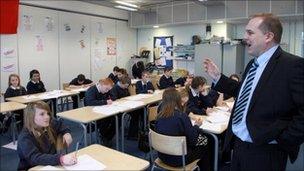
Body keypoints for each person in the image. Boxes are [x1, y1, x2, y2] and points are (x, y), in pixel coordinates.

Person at [203, 13, 304, 171]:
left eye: (250, 33)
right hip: (238, 145)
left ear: (268, 36)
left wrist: (282, 139)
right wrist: (218, 77)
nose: (244, 37)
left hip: (265, 151)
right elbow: (245, 93)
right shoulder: (253, 64)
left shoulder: (292, 66)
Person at [155, 88, 211, 171]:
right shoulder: (181, 116)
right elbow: (193, 140)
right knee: (207, 141)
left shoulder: (158, 116)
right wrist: (196, 126)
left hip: (162, 156)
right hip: (180, 159)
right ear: (177, 100)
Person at [17, 101, 76, 170]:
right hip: (32, 168)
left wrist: (66, 133)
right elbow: (35, 158)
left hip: (50, 164)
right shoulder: (25, 137)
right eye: (42, 114)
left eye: (48, 113)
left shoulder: (48, 124)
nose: (47, 117)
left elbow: (60, 124)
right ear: (31, 117)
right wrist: (60, 159)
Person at [84, 78, 115, 146]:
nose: (107, 91)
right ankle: (104, 136)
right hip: (92, 114)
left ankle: (107, 137)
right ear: (101, 85)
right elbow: (90, 102)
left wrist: (109, 96)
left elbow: (113, 97)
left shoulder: (106, 89)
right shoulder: (91, 90)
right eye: (106, 89)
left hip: (103, 112)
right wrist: (105, 101)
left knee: (117, 118)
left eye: (109, 89)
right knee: (107, 119)